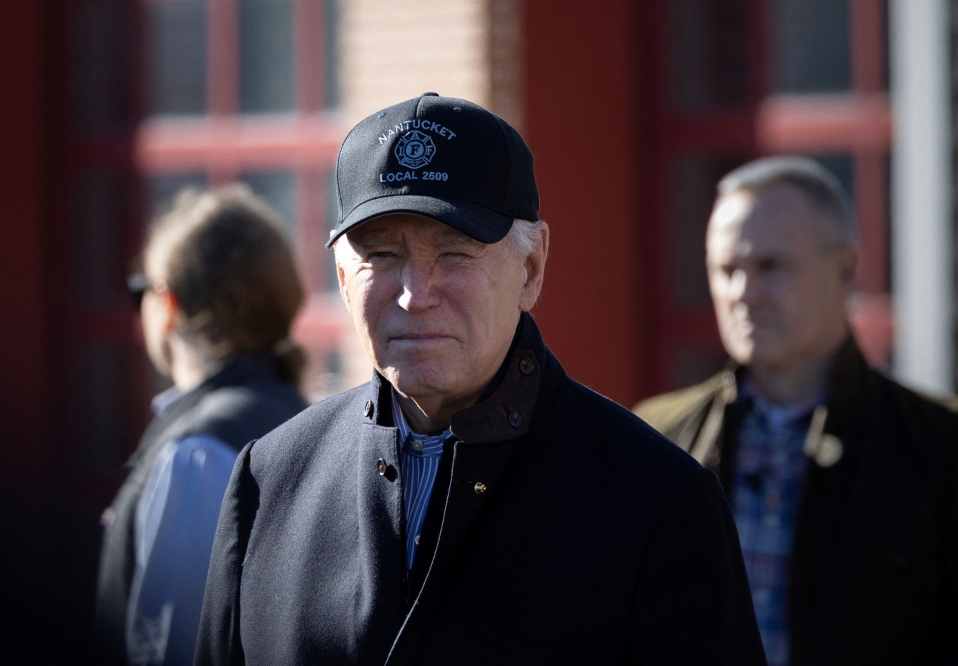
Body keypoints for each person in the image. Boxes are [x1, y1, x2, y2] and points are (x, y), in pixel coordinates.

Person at [194, 93, 766, 665]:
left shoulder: (655, 501)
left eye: (455, 253)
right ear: (344, 279)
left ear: (531, 268)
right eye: (383, 255)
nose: (415, 295)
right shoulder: (270, 481)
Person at [634, 157, 958, 666]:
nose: (744, 293)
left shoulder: (945, 448)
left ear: (846, 269)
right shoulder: (654, 435)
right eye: (726, 270)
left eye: (770, 266)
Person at [94, 187, 309, 665]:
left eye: (139, 290)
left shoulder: (199, 451)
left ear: (167, 303)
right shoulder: (297, 413)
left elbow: (169, 651)